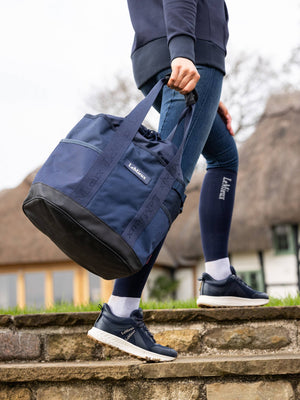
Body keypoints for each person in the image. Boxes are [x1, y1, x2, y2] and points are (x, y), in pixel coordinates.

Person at [87, 0, 269, 362]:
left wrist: (206, 92)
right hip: (187, 53)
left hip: (172, 54)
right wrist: (184, 52)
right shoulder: (185, 51)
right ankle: (120, 311)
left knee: (223, 156)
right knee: (165, 184)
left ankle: (218, 276)